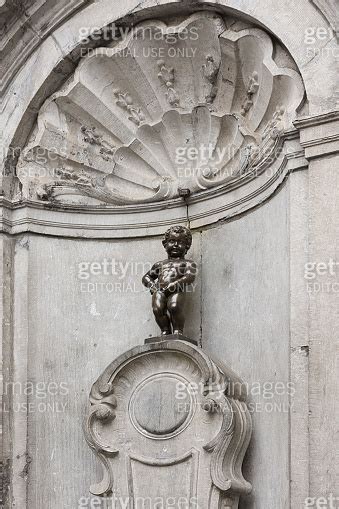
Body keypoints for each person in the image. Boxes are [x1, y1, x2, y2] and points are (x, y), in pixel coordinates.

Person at [142, 226, 197, 335]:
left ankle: (178, 330)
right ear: (165, 244)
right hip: (160, 291)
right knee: (157, 309)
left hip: (176, 290)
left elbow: (190, 277)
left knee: (174, 307)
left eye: (180, 242)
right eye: (172, 241)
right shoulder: (160, 264)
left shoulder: (188, 263)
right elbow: (146, 277)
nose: (176, 245)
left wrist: (174, 285)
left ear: (187, 246)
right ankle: (165, 331)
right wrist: (152, 286)